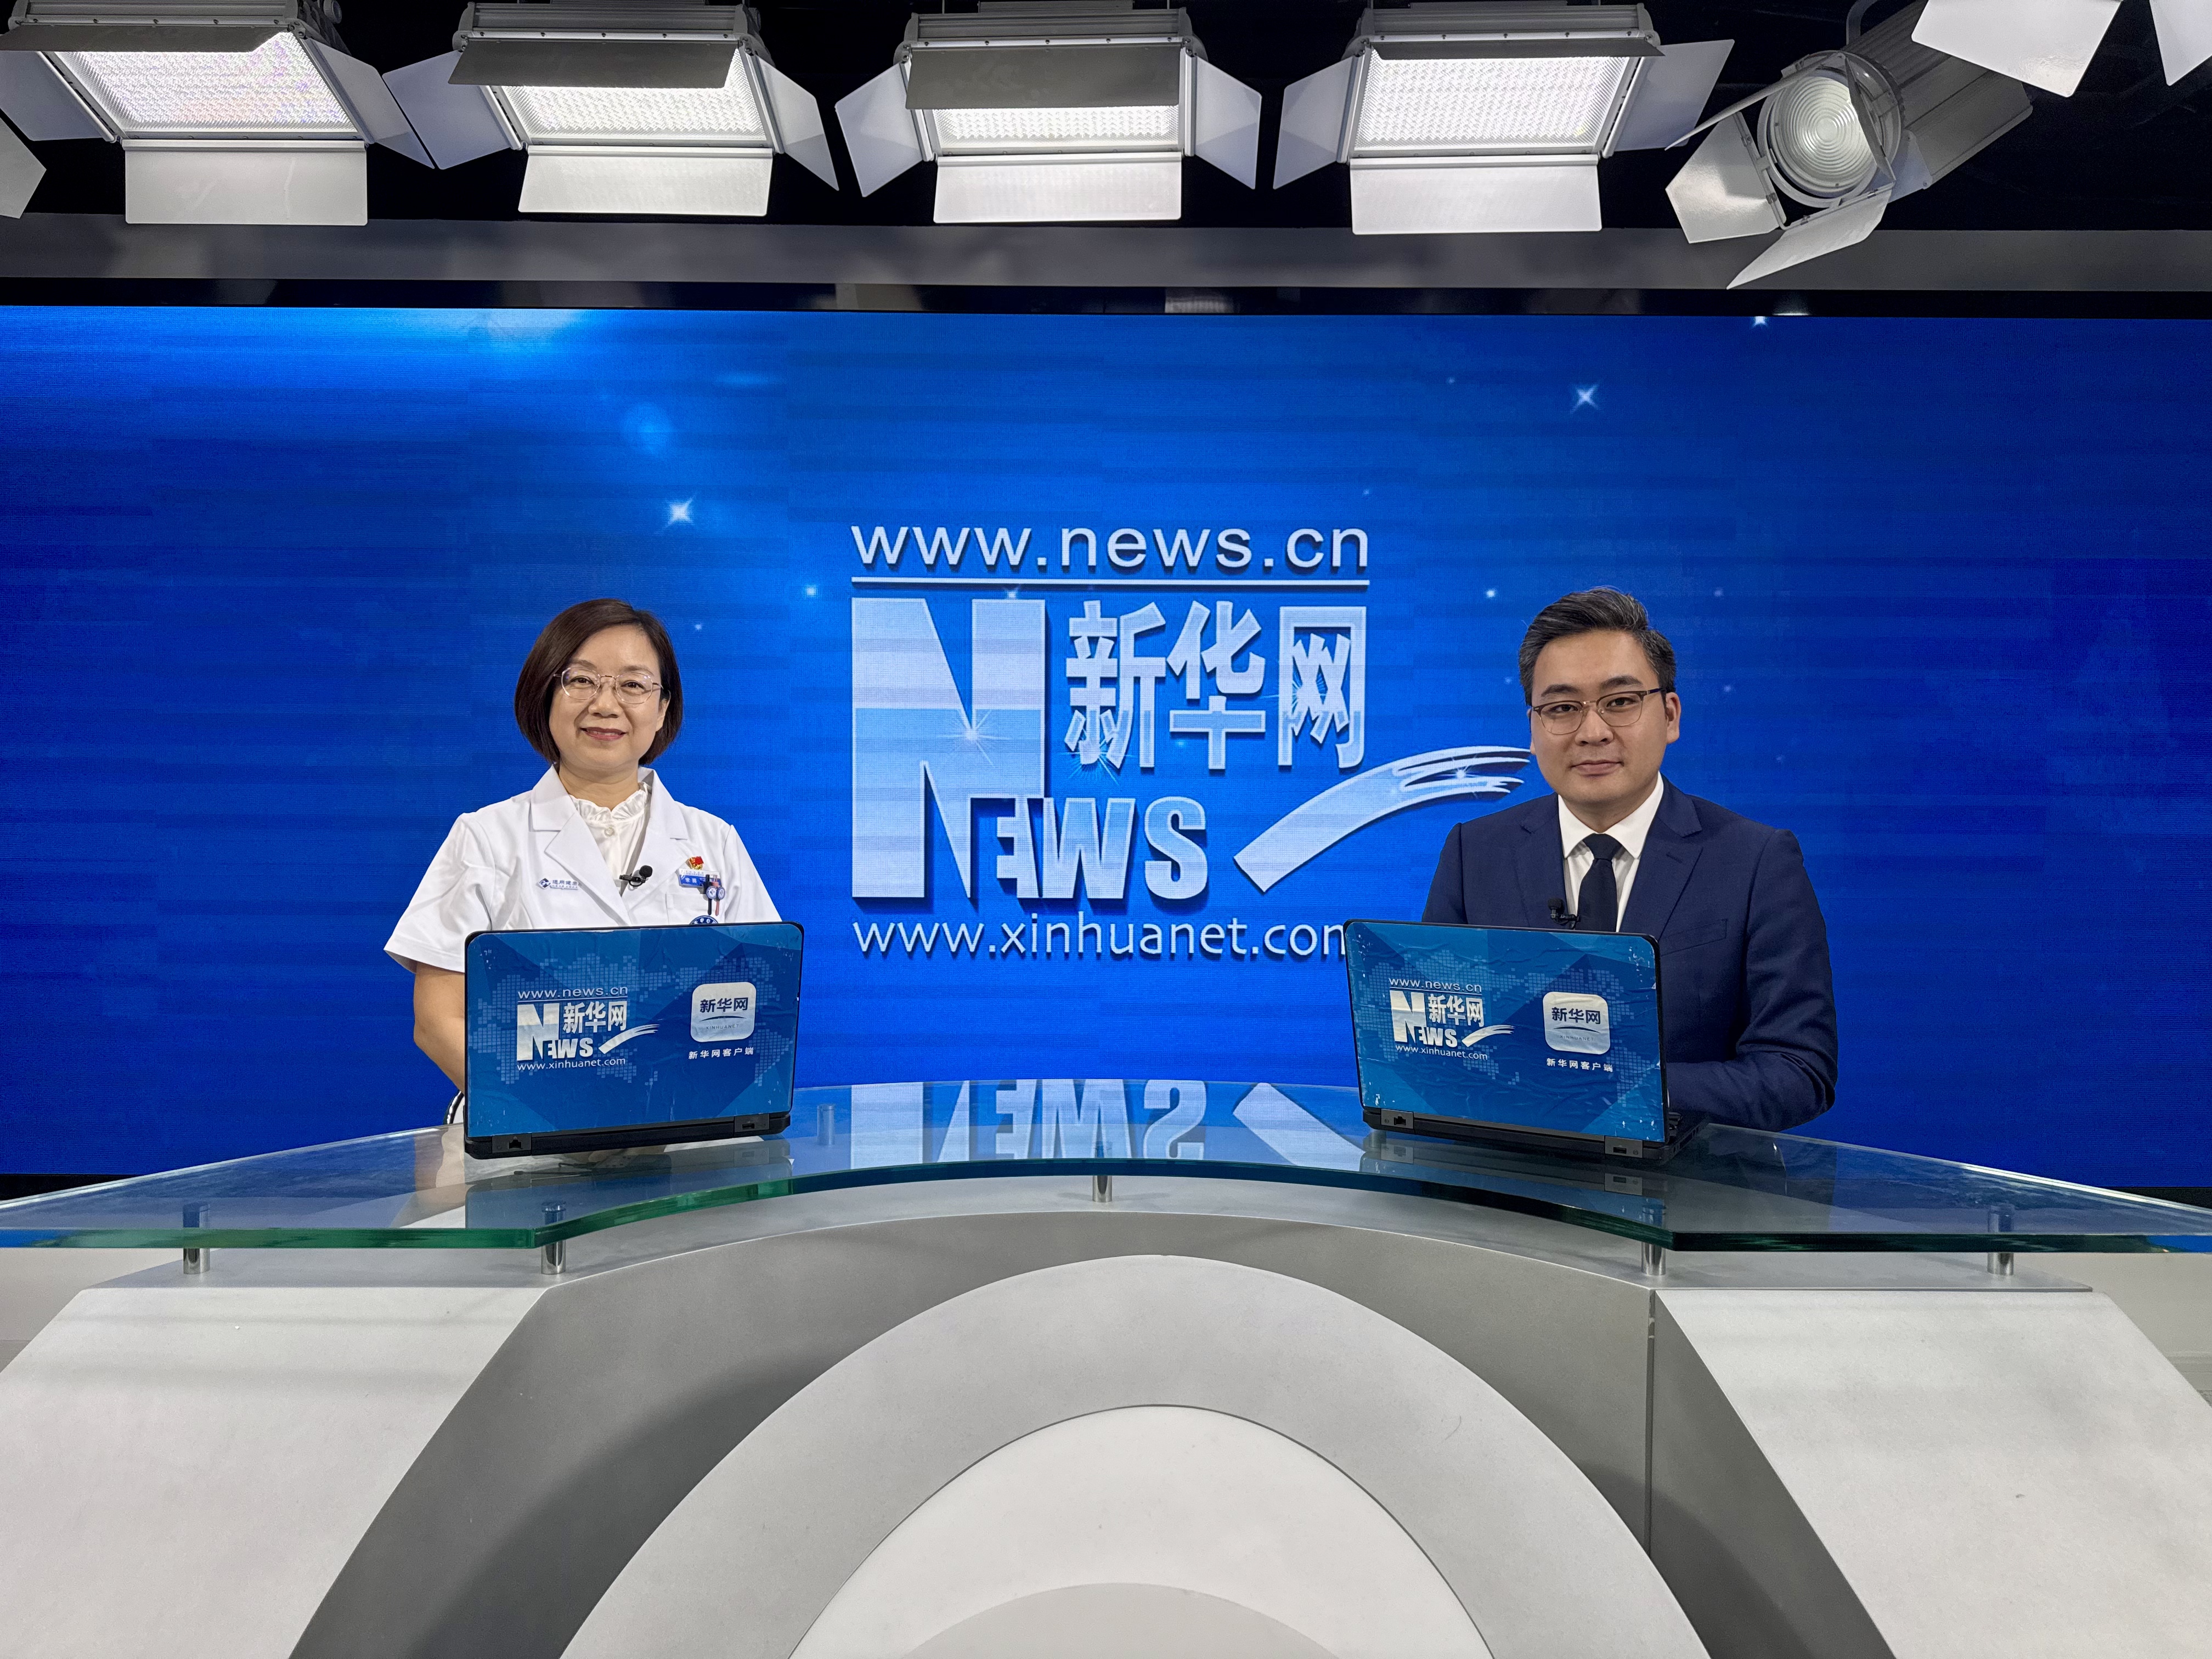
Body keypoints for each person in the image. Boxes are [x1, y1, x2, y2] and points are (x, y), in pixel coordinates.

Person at [1421, 588, 1836, 1133]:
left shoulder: (1756, 861)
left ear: (1670, 715)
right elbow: (1435, 1047)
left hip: (1688, 1177)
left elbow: (1799, 1070)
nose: (1593, 732)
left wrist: (1620, 1085)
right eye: (1562, 708)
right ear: (1534, 728)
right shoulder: (1474, 853)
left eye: (1620, 702)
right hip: (1507, 1176)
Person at [387, 597, 777, 1090]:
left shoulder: (715, 841)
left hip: (686, 1124)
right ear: (544, 695)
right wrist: (553, 1116)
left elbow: (768, 1001)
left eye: (633, 685)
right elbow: (440, 1021)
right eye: (582, 680)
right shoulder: (486, 837)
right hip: (531, 1128)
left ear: (662, 709)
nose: (606, 705)